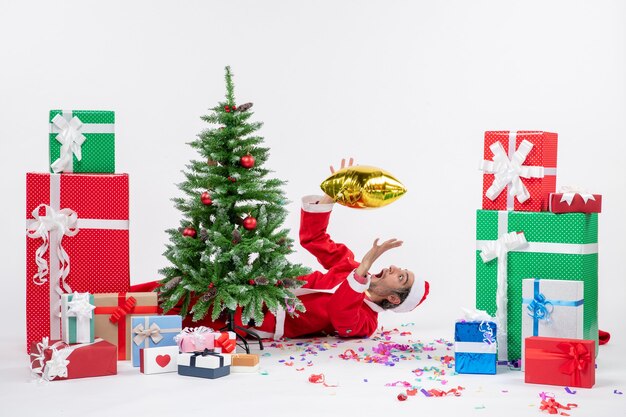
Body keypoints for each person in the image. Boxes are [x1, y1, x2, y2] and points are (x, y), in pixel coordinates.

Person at [131, 158, 429, 339]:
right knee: (175, 287)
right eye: (400, 268)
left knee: (173, 317)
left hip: (254, 320)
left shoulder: (366, 322)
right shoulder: (347, 267)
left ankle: (109, 322)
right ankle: (100, 300)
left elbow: (341, 313)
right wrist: (330, 196)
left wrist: (363, 270)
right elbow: (314, 238)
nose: (392, 267)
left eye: (400, 277)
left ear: (392, 297)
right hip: (255, 283)